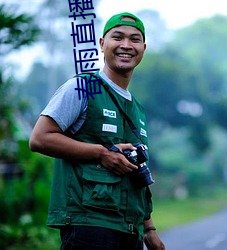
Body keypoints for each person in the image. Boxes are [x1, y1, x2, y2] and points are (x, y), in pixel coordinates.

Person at [29, 12, 165, 250]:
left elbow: (136, 170)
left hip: (130, 229)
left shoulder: (138, 108)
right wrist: (102, 153)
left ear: (143, 48)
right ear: (102, 44)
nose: (126, 45)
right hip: (89, 225)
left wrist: (149, 228)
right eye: (117, 37)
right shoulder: (82, 88)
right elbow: (40, 138)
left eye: (134, 39)